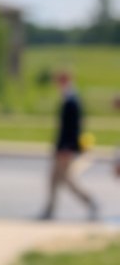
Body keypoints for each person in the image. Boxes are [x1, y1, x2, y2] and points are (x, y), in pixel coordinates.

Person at [38, 69, 99, 220]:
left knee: (65, 180)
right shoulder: (68, 98)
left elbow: (73, 129)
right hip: (63, 147)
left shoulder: (72, 100)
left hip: (67, 148)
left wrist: (67, 148)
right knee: (57, 179)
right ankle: (50, 210)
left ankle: (89, 201)